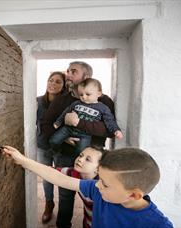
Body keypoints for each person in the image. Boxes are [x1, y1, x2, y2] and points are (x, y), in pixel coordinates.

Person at [0, 146, 173, 228]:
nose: (97, 184)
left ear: (134, 195)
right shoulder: (99, 191)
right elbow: (59, 178)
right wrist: (23, 160)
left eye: (105, 183)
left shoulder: (158, 225)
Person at [41, 61, 116, 228]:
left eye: (73, 71)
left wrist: (78, 123)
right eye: (68, 71)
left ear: (86, 76)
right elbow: (46, 124)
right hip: (65, 155)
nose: (68, 74)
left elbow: (109, 130)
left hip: (93, 160)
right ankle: (63, 225)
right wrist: (63, 137)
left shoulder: (104, 101)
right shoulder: (62, 99)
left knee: (94, 197)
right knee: (65, 195)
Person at [49, 78, 123, 155]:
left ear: (99, 93)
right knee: (53, 140)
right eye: (81, 94)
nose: (84, 97)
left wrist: (116, 130)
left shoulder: (103, 108)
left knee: (81, 151)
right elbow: (65, 113)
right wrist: (58, 122)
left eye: (88, 94)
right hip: (68, 129)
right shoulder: (76, 103)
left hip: (85, 134)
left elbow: (109, 120)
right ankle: (55, 151)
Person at [36, 71, 65, 223]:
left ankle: (63, 208)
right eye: (51, 80)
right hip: (43, 146)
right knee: (47, 177)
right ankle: (49, 203)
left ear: (64, 86)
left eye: (58, 82)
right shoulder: (38, 101)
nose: (53, 84)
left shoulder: (66, 103)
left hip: (61, 148)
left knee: (61, 177)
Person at [55, 146, 103, 228]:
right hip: (87, 221)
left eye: (88, 159)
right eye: (81, 155)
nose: (80, 159)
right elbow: (55, 171)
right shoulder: (76, 173)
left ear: (98, 169)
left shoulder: (101, 187)